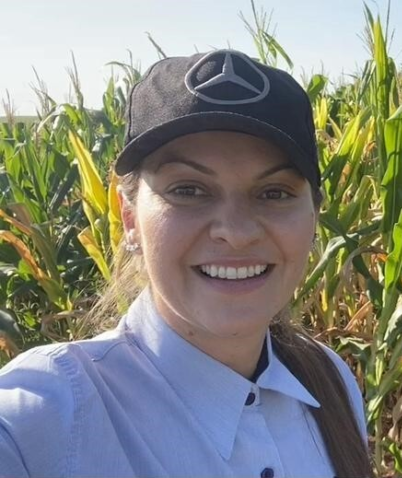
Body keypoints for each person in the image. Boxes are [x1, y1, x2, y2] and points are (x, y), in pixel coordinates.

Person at [0, 49, 372, 478]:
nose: (236, 232)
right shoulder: (43, 418)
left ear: (314, 215)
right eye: (188, 190)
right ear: (129, 218)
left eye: (274, 193)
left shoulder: (329, 381)